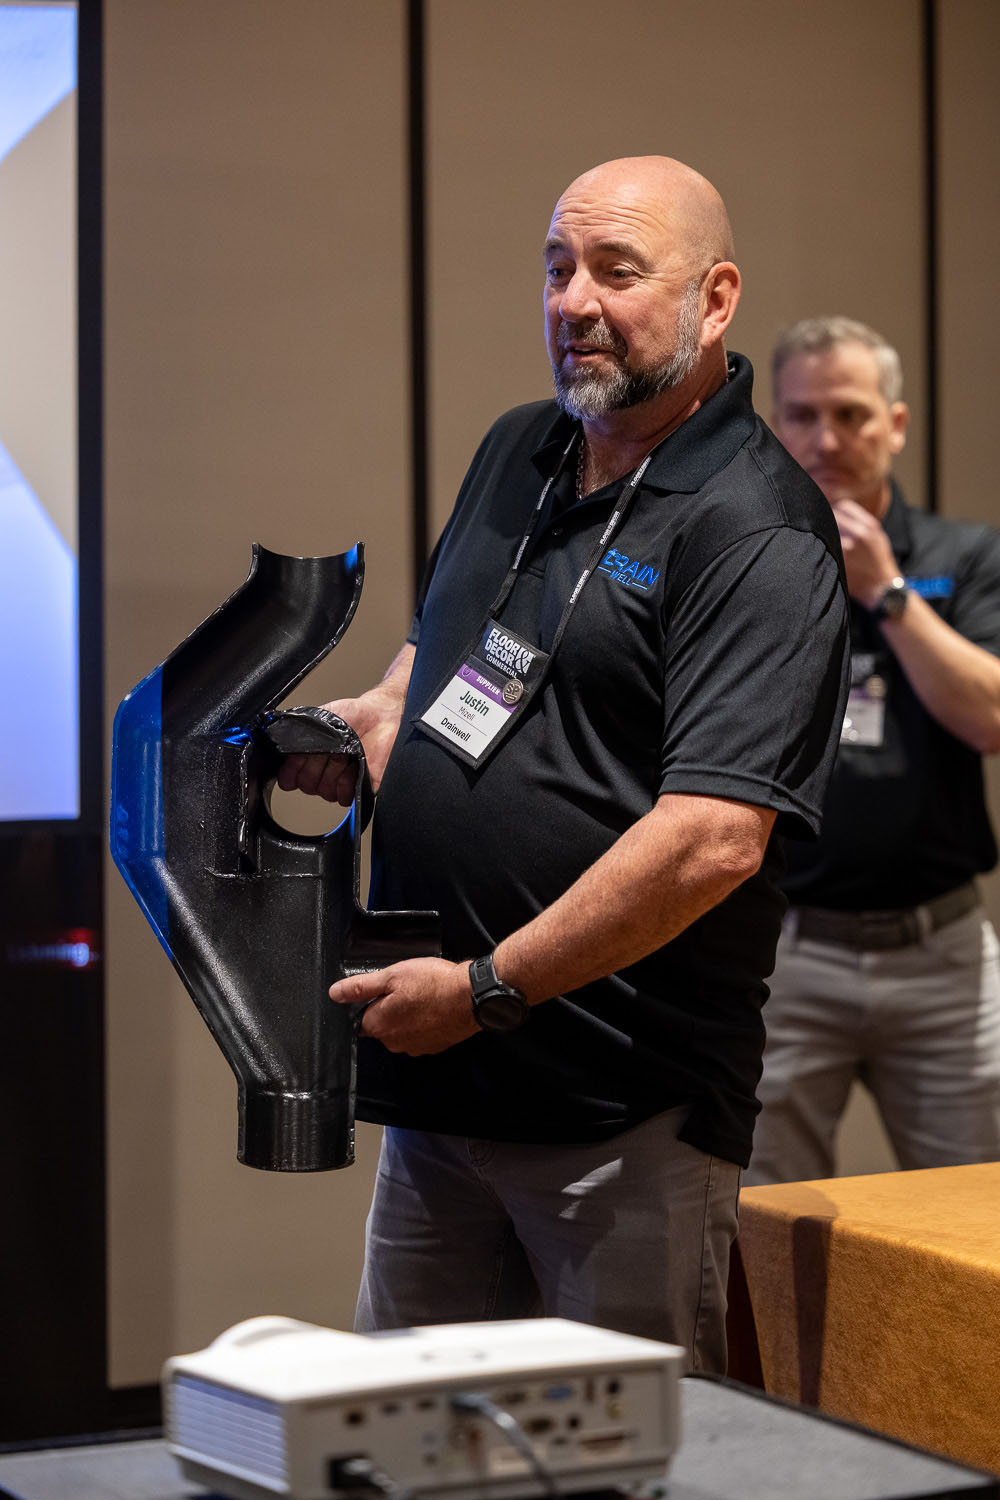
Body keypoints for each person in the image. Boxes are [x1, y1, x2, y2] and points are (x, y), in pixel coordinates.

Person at [279, 157, 849, 1371]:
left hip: (617, 1118)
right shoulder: (521, 448)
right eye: (556, 268)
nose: (573, 302)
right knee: (414, 1437)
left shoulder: (757, 526)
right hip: (443, 1092)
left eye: (616, 271)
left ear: (715, 298)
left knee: (614, 1450)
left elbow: (711, 839)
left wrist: (489, 985)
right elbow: (443, 650)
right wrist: (377, 720)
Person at [745, 315, 1000, 1187]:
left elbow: (991, 720)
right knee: (769, 1218)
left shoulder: (965, 556)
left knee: (974, 1220)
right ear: (775, 424)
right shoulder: (743, 562)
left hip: (941, 955)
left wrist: (886, 592)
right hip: (784, 951)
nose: (827, 439)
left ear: (895, 424)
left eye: (851, 414)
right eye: (803, 415)